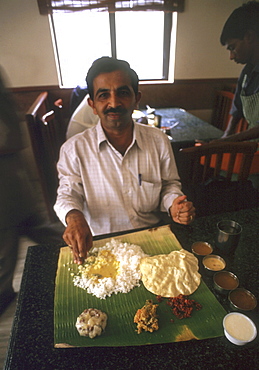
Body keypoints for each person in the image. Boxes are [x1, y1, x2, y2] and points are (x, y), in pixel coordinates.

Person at [54, 57, 195, 265]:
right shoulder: (73, 149)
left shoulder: (158, 141)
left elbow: (169, 185)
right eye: (103, 95)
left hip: (152, 237)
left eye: (123, 93)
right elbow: (68, 193)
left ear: (136, 99)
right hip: (101, 243)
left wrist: (174, 204)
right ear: (92, 104)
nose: (114, 103)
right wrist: (74, 216)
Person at [0, 68, 64, 315]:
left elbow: (9, 133)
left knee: (10, 242)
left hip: (8, 181)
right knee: (34, 228)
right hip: (12, 180)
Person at [220, 1, 259, 142]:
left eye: (232, 47)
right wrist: (226, 135)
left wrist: (229, 141)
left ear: (249, 37)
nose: (231, 56)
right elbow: (237, 110)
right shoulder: (247, 73)